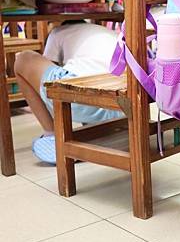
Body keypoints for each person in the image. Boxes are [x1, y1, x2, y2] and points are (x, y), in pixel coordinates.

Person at [14, 22, 123, 164]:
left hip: (82, 100)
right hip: (121, 106)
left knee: (24, 58)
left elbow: (46, 77)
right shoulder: (107, 32)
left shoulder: (57, 32)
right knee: (85, 72)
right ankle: (95, 132)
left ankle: (52, 135)